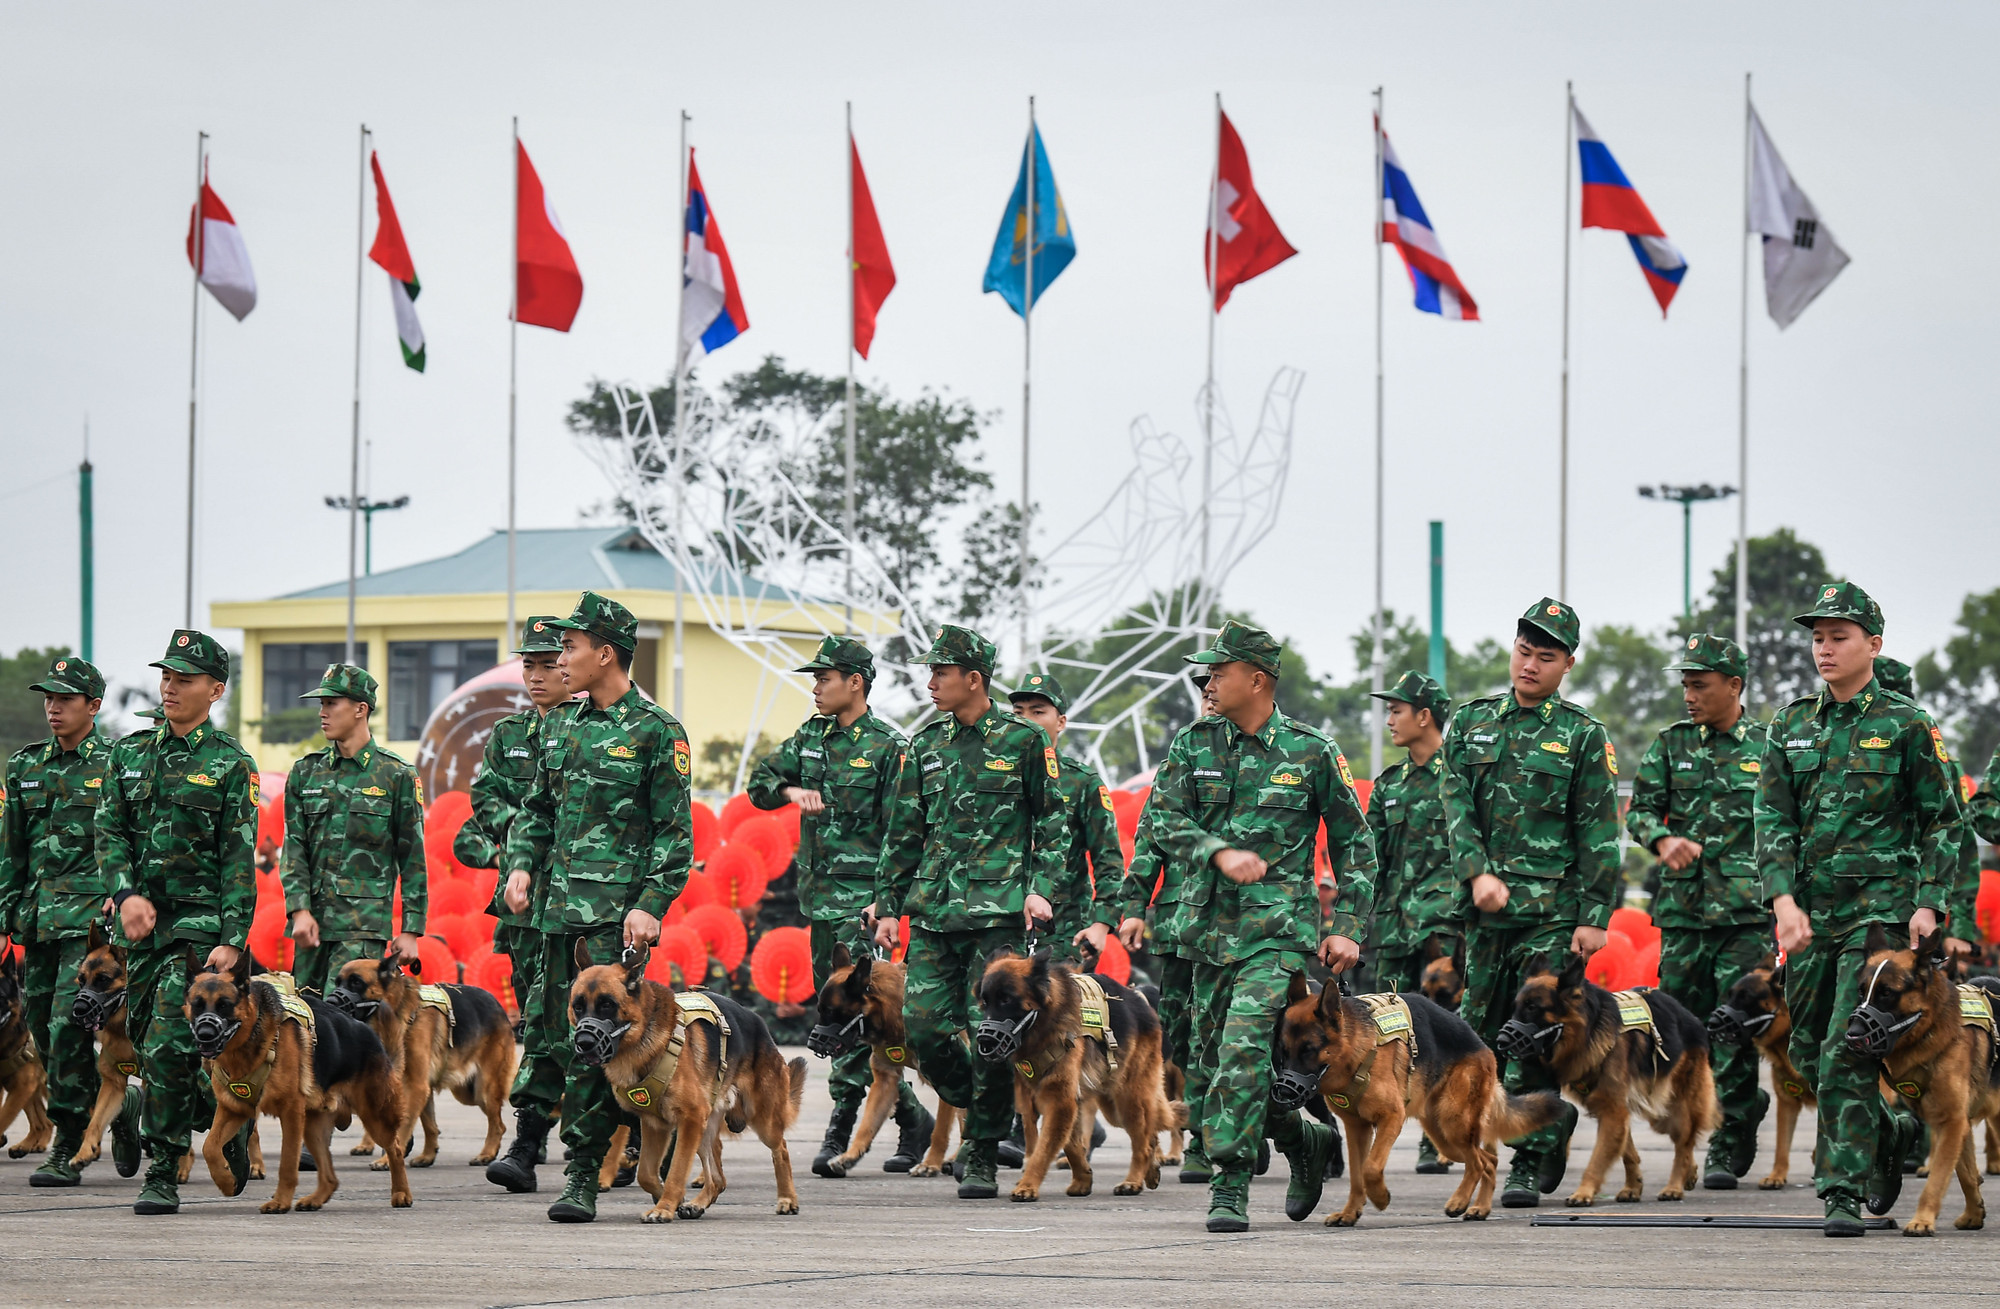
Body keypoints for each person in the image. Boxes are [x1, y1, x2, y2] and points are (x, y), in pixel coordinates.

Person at [1147, 620, 1377, 1232]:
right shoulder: (1193, 744)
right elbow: (1163, 819)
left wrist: (1348, 925)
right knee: (1210, 1067)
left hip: (1276, 936)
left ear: (1256, 680)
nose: (1208, 682)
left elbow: (1356, 843)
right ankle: (1304, 1140)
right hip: (1205, 936)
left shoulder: (1312, 751)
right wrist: (1217, 851)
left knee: (1243, 1053)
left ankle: (1230, 1186)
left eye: (1219, 672)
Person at [1759, 585, 1964, 1236]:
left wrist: (1930, 903)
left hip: (1879, 915)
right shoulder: (1790, 725)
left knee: (1846, 1047)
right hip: (1809, 913)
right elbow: (1773, 819)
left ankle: (1841, 1190)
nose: (1825, 648)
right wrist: (1783, 900)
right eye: (1818, 637)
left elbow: (1943, 820)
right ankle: (1890, 1129)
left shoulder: (1906, 724)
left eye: (1839, 636)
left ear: (1872, 645)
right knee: (1808, 1050)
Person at [502, 591, 691, 1223]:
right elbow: (535, 811)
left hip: (615, 922)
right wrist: (522, 865)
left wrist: (651, 903)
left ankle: (581, 1174)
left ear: (605, 654)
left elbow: (674, 832)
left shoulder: (657, 732)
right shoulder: (560, 724)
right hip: (556, 917)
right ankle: (541, 1143)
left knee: (597, 1043)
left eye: (570, 647)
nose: (560, 659)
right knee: (550, 1033)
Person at [868, 624, 1067, 1200]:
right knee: (925, 1029)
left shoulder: (1024, 741)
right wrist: (889, 905)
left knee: (990, 1034)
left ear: (973, 679)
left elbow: (1052, 821)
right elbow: (903, 832)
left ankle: (979, 1150)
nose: (930, 682)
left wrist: (1040, 888)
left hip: (997, 914)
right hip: (933, 912)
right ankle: (981, 1108)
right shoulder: (924, 745)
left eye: (941, 672)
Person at [1443, 598, 1618, 1208]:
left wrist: (1594, 916)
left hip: (1551, 912)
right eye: (1524, 651)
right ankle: (1505, 1141)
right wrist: (1477, 874)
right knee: (1479, 1037)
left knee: (1534, 1032)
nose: (1530, 665)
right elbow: (1456, 806)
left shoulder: (1583, 735)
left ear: (1567, 664)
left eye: (1545, 657)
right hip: (1486, 914)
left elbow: (1600, 830)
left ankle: (1530, 1157)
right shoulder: (1470, 723)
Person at [747, 635, 933, 1176]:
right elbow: (760, 781)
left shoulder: (890, 747)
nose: (816, 687)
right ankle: (912, 1119)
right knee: (835, 1013)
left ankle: (841, 1127)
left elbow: (904, 830)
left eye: (824, 678)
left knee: (854, 1016)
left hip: (863, 906)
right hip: (820, 901)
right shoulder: (811, 737)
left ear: (855, 682)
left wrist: (886, 901)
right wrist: (788, 793)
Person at [96, 629, 259, 1215]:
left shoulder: (231, 764)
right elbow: (108, 831)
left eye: (184, 679)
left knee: (167, 1045)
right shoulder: (128, 754)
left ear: (214, 690)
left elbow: (239, 858)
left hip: (197, 930)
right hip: (137, 931)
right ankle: (227, 1116)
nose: (169, 687)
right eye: (166, 676)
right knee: (147, 1048)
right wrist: (125, 892)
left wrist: (232, 939)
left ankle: (162, 1170)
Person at [1624, 633, 1770, 1190]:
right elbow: (1640, 811)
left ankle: (1729, 1139)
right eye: (1685, 685)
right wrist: (1662, 840)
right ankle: (1687, 1139)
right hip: (1684, 915)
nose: (1689, 695)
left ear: (1734, 685)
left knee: (1733, 1029)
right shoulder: (1670, 744)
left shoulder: (1769, 746)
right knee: (1682, 1031)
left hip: (1745, 915)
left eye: (1700, 685)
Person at [0, 655, 141, 1186]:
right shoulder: (25, 766)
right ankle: (119, 1109)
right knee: (40, 1031)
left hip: (89, 927)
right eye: (49, 698)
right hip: (36, 921)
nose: (53, 707)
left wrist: (123, 894)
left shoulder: (117, 763)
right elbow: (11, 851)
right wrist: (3, 917)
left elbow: (132, 839)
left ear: (94, 706)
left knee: (67, 1029)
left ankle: (67, 1143)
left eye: (65, 699)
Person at [459, 616, 570, 1193]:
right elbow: (485, 797)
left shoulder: (599, 730)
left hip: (586, 897)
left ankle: (617, 1135)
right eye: (529, 665)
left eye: (548, 663)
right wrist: (522, 835)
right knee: (539, 1013)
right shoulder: (509, 734)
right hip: (526, 903)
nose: (536, 675)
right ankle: (534, 1133)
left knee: (589, 1016)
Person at [1362, 669, 1465, 1175]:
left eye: (1396, 710)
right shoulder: (1388, 785)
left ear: (1424, 716)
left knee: (1446, 1033)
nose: (1389, 720)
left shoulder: (1462, 776)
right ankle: (1395, 1122)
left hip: (1443, 930)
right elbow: (1371, 859)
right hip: (1395, 930)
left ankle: (1440, 1134)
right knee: (1392, 1032)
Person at [282, 664, 426, 995]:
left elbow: (413, 858)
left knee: (347, 1017)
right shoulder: (305, 772)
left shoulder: (396, 775)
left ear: (361, 709)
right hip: (312, 928)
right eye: (321, 704)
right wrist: (299, 910)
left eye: (332, 703)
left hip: (363, 929)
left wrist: (411, 930)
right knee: (306, 1016)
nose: (322, 712)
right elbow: (293, 849)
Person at [1009, 671, 1124, 959]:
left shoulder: (1082, 782)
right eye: (1018, 712)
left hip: (1060, 930)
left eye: (1037, 712)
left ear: (1061, 722)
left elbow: (1108, 859)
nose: (1026, 720)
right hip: (997, 922)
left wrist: (1101, 924)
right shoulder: (995, 776)